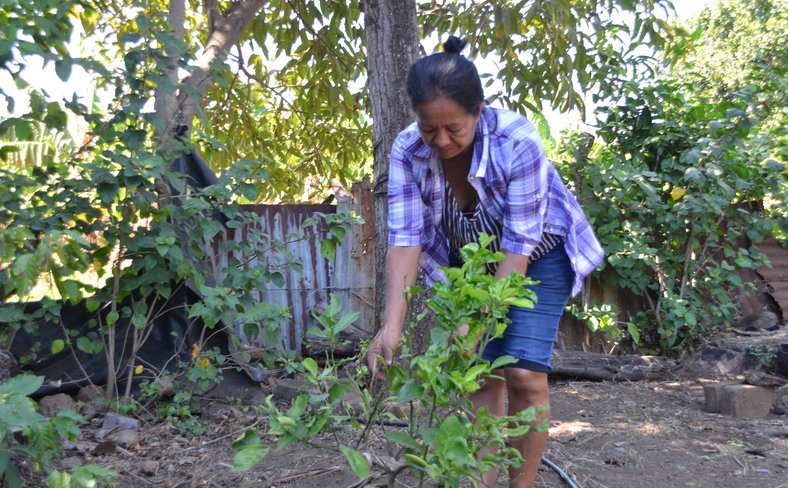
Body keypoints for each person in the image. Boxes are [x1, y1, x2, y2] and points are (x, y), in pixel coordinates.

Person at [366, 36, 604, 487]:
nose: (440, 140)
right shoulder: (406, 150)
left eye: (453, 128)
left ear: (479, 111)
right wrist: (390, 327)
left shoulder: (517, 141)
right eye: (428, 128)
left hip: (536, 254)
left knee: (524, 374)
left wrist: (474, 323)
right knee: (479, 378)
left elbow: (519, 243)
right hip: (468, 264)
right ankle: (482, 483)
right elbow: (404, 239)